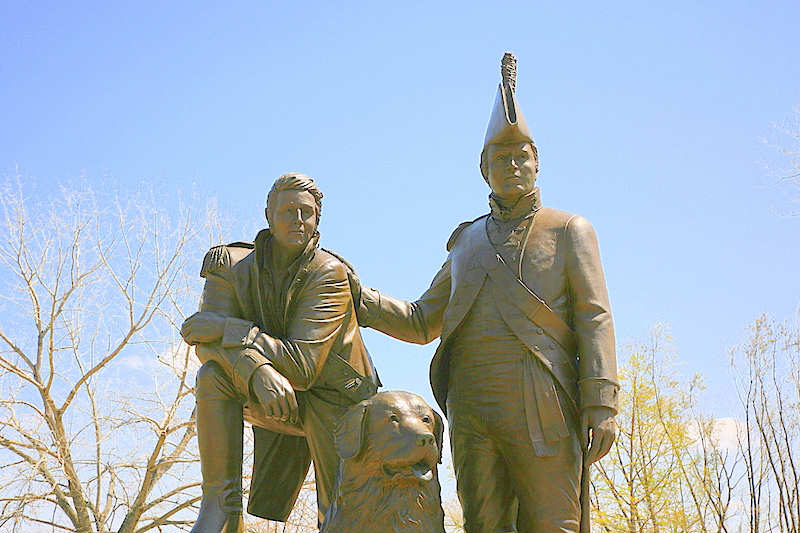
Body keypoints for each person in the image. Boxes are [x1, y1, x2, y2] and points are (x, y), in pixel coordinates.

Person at [354, 53, 618, 533]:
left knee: (553, 521)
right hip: (471, 406)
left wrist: (601, 402)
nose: (512, 165)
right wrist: (357, 296)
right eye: (501, 159)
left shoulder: (568, 230)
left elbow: (594, 317)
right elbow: (420, 319)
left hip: (543, 400)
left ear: (537, 165)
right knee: (483, 523)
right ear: (484, 169)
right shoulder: (466, 242)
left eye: (522, 157)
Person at [181, 173, 380, 533]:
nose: (298, 220)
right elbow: (202, 340)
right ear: (268, 214)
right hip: (278, 395)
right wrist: (257, 371)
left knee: (341, 519)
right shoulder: (229, 265)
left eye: (307, 212)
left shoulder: (328, 273)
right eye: (288, 211)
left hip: (338, 400)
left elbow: (303, 367)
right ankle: (221, 510)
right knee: (212, 377)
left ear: (318, 219)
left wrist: (234, 331)